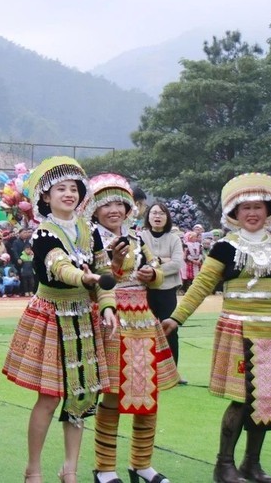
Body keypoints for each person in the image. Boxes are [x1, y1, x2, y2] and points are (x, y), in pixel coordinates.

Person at [163, 173, 271, 483]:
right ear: (235, 215)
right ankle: (223, 464)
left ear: (268, 211)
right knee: (242, 400)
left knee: (268, 399)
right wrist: (177, 317)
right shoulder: (225, 248)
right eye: (245, 208)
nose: (252, 213)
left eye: (258, 207)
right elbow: (201, 286)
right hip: (239, 333)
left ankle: (251, 464)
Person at [1, 156, 117, 483]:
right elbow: (58, 267)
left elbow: (105, 270)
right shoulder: (44, 233)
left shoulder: (89, 231)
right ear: (46, 197)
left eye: (74, 188)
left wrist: (107, 306)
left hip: (84, 318)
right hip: (52, 316)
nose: (69, 193)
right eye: (61, 188)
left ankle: (70, 470)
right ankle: (33, 469)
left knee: (81, 395)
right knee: (50, 397)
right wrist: (85, 280)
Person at [86, 173, 179, 483]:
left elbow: (161, 275)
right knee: (113, 395)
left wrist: (152, 272)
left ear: (128, 208)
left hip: (142, 319)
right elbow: (94, 281)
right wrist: (113, 263)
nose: (114, 209)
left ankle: (141, 463)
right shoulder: (91, 240)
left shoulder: (138, 238)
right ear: (95, 209)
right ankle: (105, 467)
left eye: (119, 203)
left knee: (147, 392)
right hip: (111, 319)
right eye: (106, 204)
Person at [139, 202, 186, 383]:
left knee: (170, 330)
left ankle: (173, 373)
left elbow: (177, 264)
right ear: (148, 217)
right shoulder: (141, 236)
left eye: (161, 213)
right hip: (146, 291)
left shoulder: (173, 238)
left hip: (167, 291)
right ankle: (148, 371)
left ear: (167, 217)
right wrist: (162, 261)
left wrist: (155, 263)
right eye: (154, 213)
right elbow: (140, 261)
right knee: (146, 331)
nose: (157, 216)